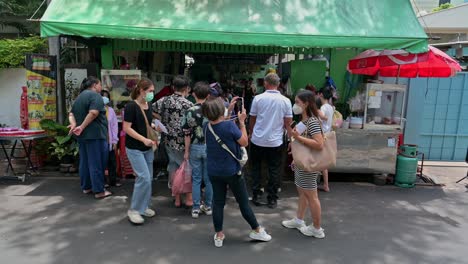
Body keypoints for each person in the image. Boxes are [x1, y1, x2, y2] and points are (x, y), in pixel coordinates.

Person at [203, 98, 272, 247]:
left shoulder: (206, 126)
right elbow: (244, 142)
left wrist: (231, 109)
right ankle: (256, 229)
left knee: (218, 203)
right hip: (232, 171)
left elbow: (220, 125)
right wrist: (241, 123)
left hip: (214, 171)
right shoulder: (229, 126)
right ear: (221, 111)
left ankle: (219, 234)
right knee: (243, 203)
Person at [282, 90, 325, 239]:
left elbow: (319, 144)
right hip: (302, 163)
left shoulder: (312, 121)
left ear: (306, 104)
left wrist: (298, 138)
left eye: (297, 102)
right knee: (303, 193)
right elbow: (300, 141)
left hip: (309, 165)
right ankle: (299, 220)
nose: (295, 105)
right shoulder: (304, 122)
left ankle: (317, 228)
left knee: (311, 196)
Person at [249, 73, 293, 208]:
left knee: (256, 167)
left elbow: (252, 118)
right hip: (276, 141)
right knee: (274, 169)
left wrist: (251, 133)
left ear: (265, 83)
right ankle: (272, 198)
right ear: (278, 84)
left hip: (258, 139)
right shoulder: (285, 101)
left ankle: (256, 194)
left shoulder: (257, 99)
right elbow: (288, 122)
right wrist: (290, 138)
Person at [153, 75, 193, 208]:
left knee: (174, 168)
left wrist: (162, 120)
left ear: (173, 87)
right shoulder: (188, 104)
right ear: (186, 88)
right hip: (184, 142)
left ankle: (176, 199)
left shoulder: (164, 101)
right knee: (186, 169)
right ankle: (188, 198)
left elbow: (152, 111)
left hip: (168, 140)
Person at [69, 76, 112, 199]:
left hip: (82, 136)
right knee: (96, 163)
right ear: (94, 85)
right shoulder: (95, 96)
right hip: (95, 135)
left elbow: (71, 114)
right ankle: (99, 190)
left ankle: (86, 187)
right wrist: (81, 126)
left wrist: (74, 125)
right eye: (99, 84)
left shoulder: (79, 97)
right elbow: (94, 113)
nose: (101, 87)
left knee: (85, 162)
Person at [123, 78, 158, 225]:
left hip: (147, 148)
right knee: (143, 177)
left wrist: (154, 126)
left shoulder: (147, 104)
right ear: (141, 91)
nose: (152, 93)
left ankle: (143, 207)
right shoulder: (131, 106)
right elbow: (126, 128)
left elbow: (145, 122)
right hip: (135, 148)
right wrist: (143, 139)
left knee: (148, 178)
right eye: (150, 91)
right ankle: (134, 210)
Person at [182, 82, 212, 219]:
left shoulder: (189, 111)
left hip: (194, 147)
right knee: (209, 179)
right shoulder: (212, 110)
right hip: (210, 147)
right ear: (208, 95)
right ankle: (208, 206)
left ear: (193, 94)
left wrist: (186, 151)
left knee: (196, 179)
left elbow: (186, 133)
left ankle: (195, 208)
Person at [101, 90, 121, 188]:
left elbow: (114, 126)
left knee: (112, 162)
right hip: (100, 141)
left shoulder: (111, 110)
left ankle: (113, 181)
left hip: (110, 140)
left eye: (106, 96)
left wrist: (115, 141)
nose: (105, 98)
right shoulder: (96, 110)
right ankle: (103, 181)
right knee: (101, 163)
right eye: (103, 96)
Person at [318, 87, 334, 192]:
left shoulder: (323, 107)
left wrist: (317, 111)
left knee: (319, 160)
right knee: (323, 161)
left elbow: (323, 117)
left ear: (321, 95)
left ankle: (324, 185)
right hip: (327, 135)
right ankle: (325, 185)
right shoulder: (331, 107)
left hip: (321, 135)